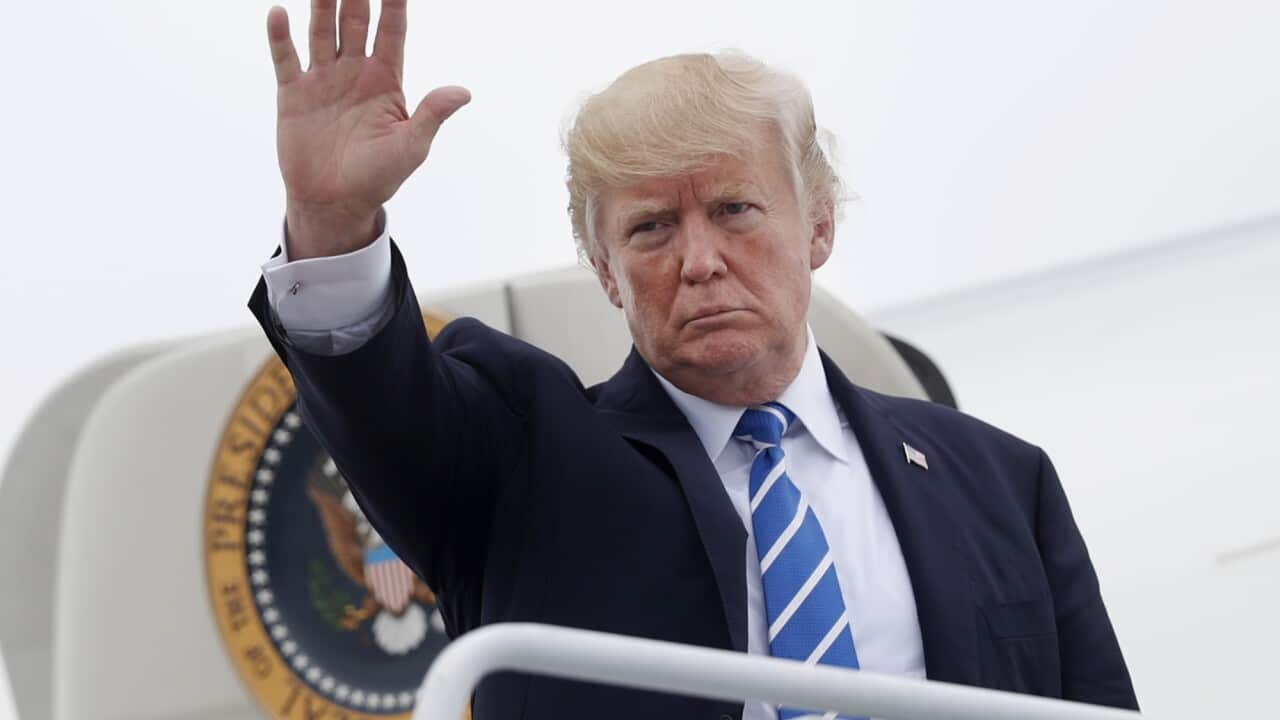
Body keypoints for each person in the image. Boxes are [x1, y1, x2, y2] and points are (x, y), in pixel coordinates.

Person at [249, 1, 1140, 718]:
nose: (700, 259)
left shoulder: (1001, 481)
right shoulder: (519, 466)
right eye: (651, 228)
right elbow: (386, 406)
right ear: (606, 271)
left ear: (819, 225)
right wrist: (332, 226)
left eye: (735, 209)